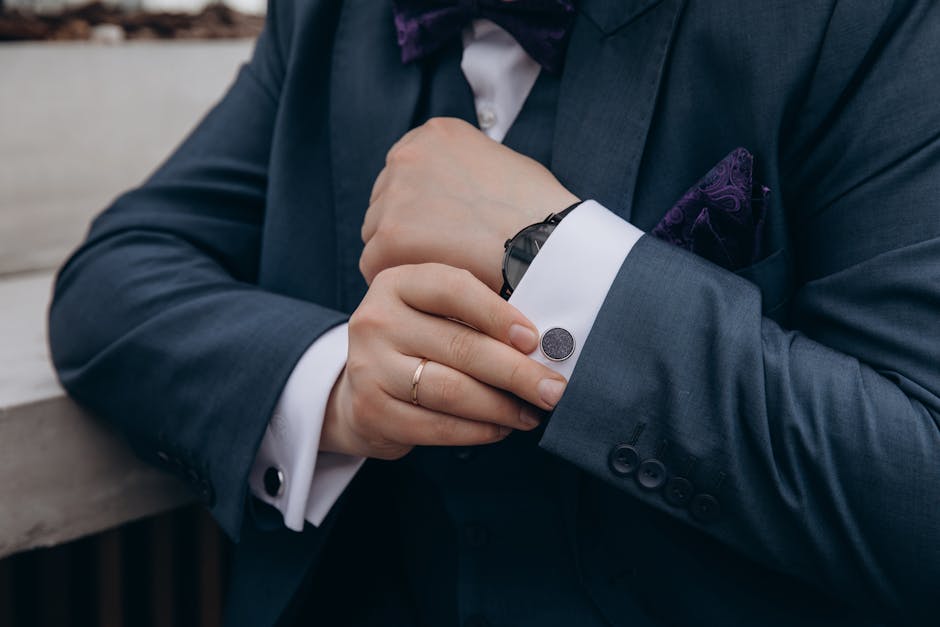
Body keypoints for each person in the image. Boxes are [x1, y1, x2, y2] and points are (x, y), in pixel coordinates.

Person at [48, 0, 940, 625]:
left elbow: (917, 488)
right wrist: (335, 388)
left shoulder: (862, 18)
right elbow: (113, 278)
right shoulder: (328, 16)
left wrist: (558, 258)